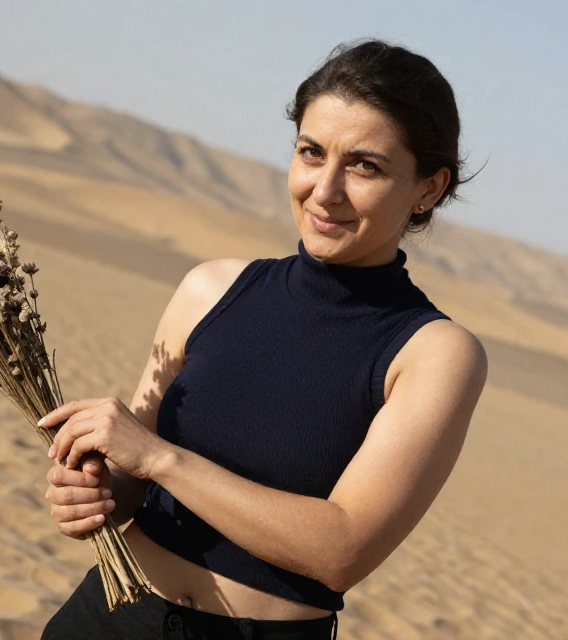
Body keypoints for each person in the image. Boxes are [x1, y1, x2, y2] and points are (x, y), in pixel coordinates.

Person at [39, 39, 488, 640]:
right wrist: (92, 492)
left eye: (365, 166)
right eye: (311, 153)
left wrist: (161, 459)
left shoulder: (433, 353)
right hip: (107, 619)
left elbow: (342, 550)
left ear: (429, 189)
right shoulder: (209, 289)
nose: (325, 190)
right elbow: (131, 478)